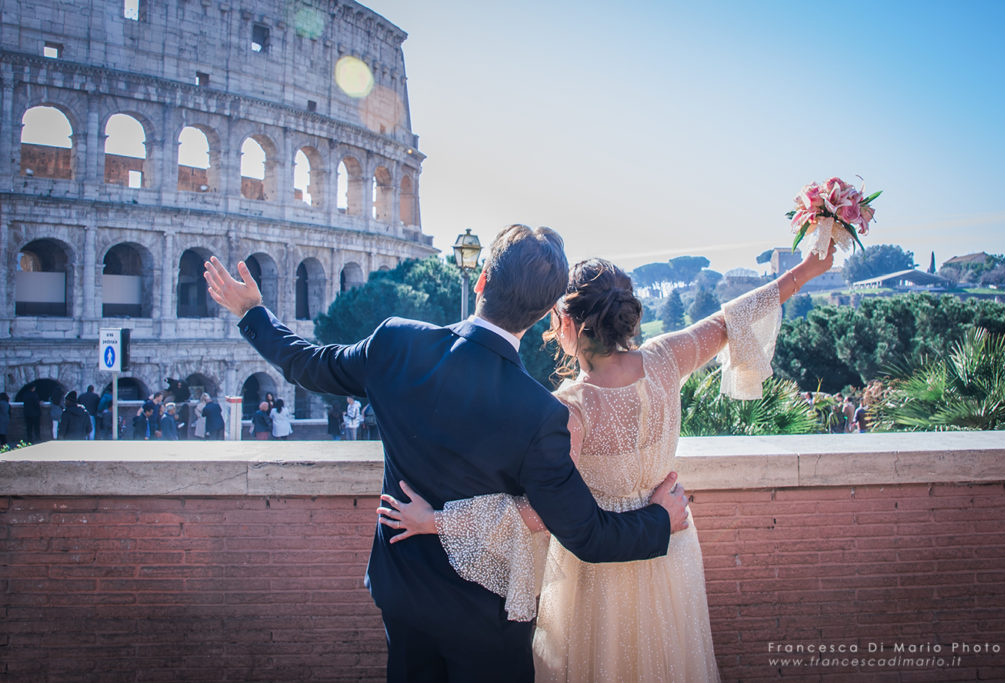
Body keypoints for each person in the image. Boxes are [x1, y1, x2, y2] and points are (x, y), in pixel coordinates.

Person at [203, 224, 691, 681]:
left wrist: (253, 313)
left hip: (403, 593)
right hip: (486, 619)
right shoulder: (541, 416)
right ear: (545, 313)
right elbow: (587, 534)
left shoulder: (396, 341)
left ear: (481, 281)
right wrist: (660, 520)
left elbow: (307, 364)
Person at [381, 247, 835, 682]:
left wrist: (436, 522)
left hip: (598, 579)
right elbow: (729, 318)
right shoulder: (665, 359)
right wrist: (806, 270)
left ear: (571, 323)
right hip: (671, 548)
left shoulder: (570, 409)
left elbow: (540, 513)